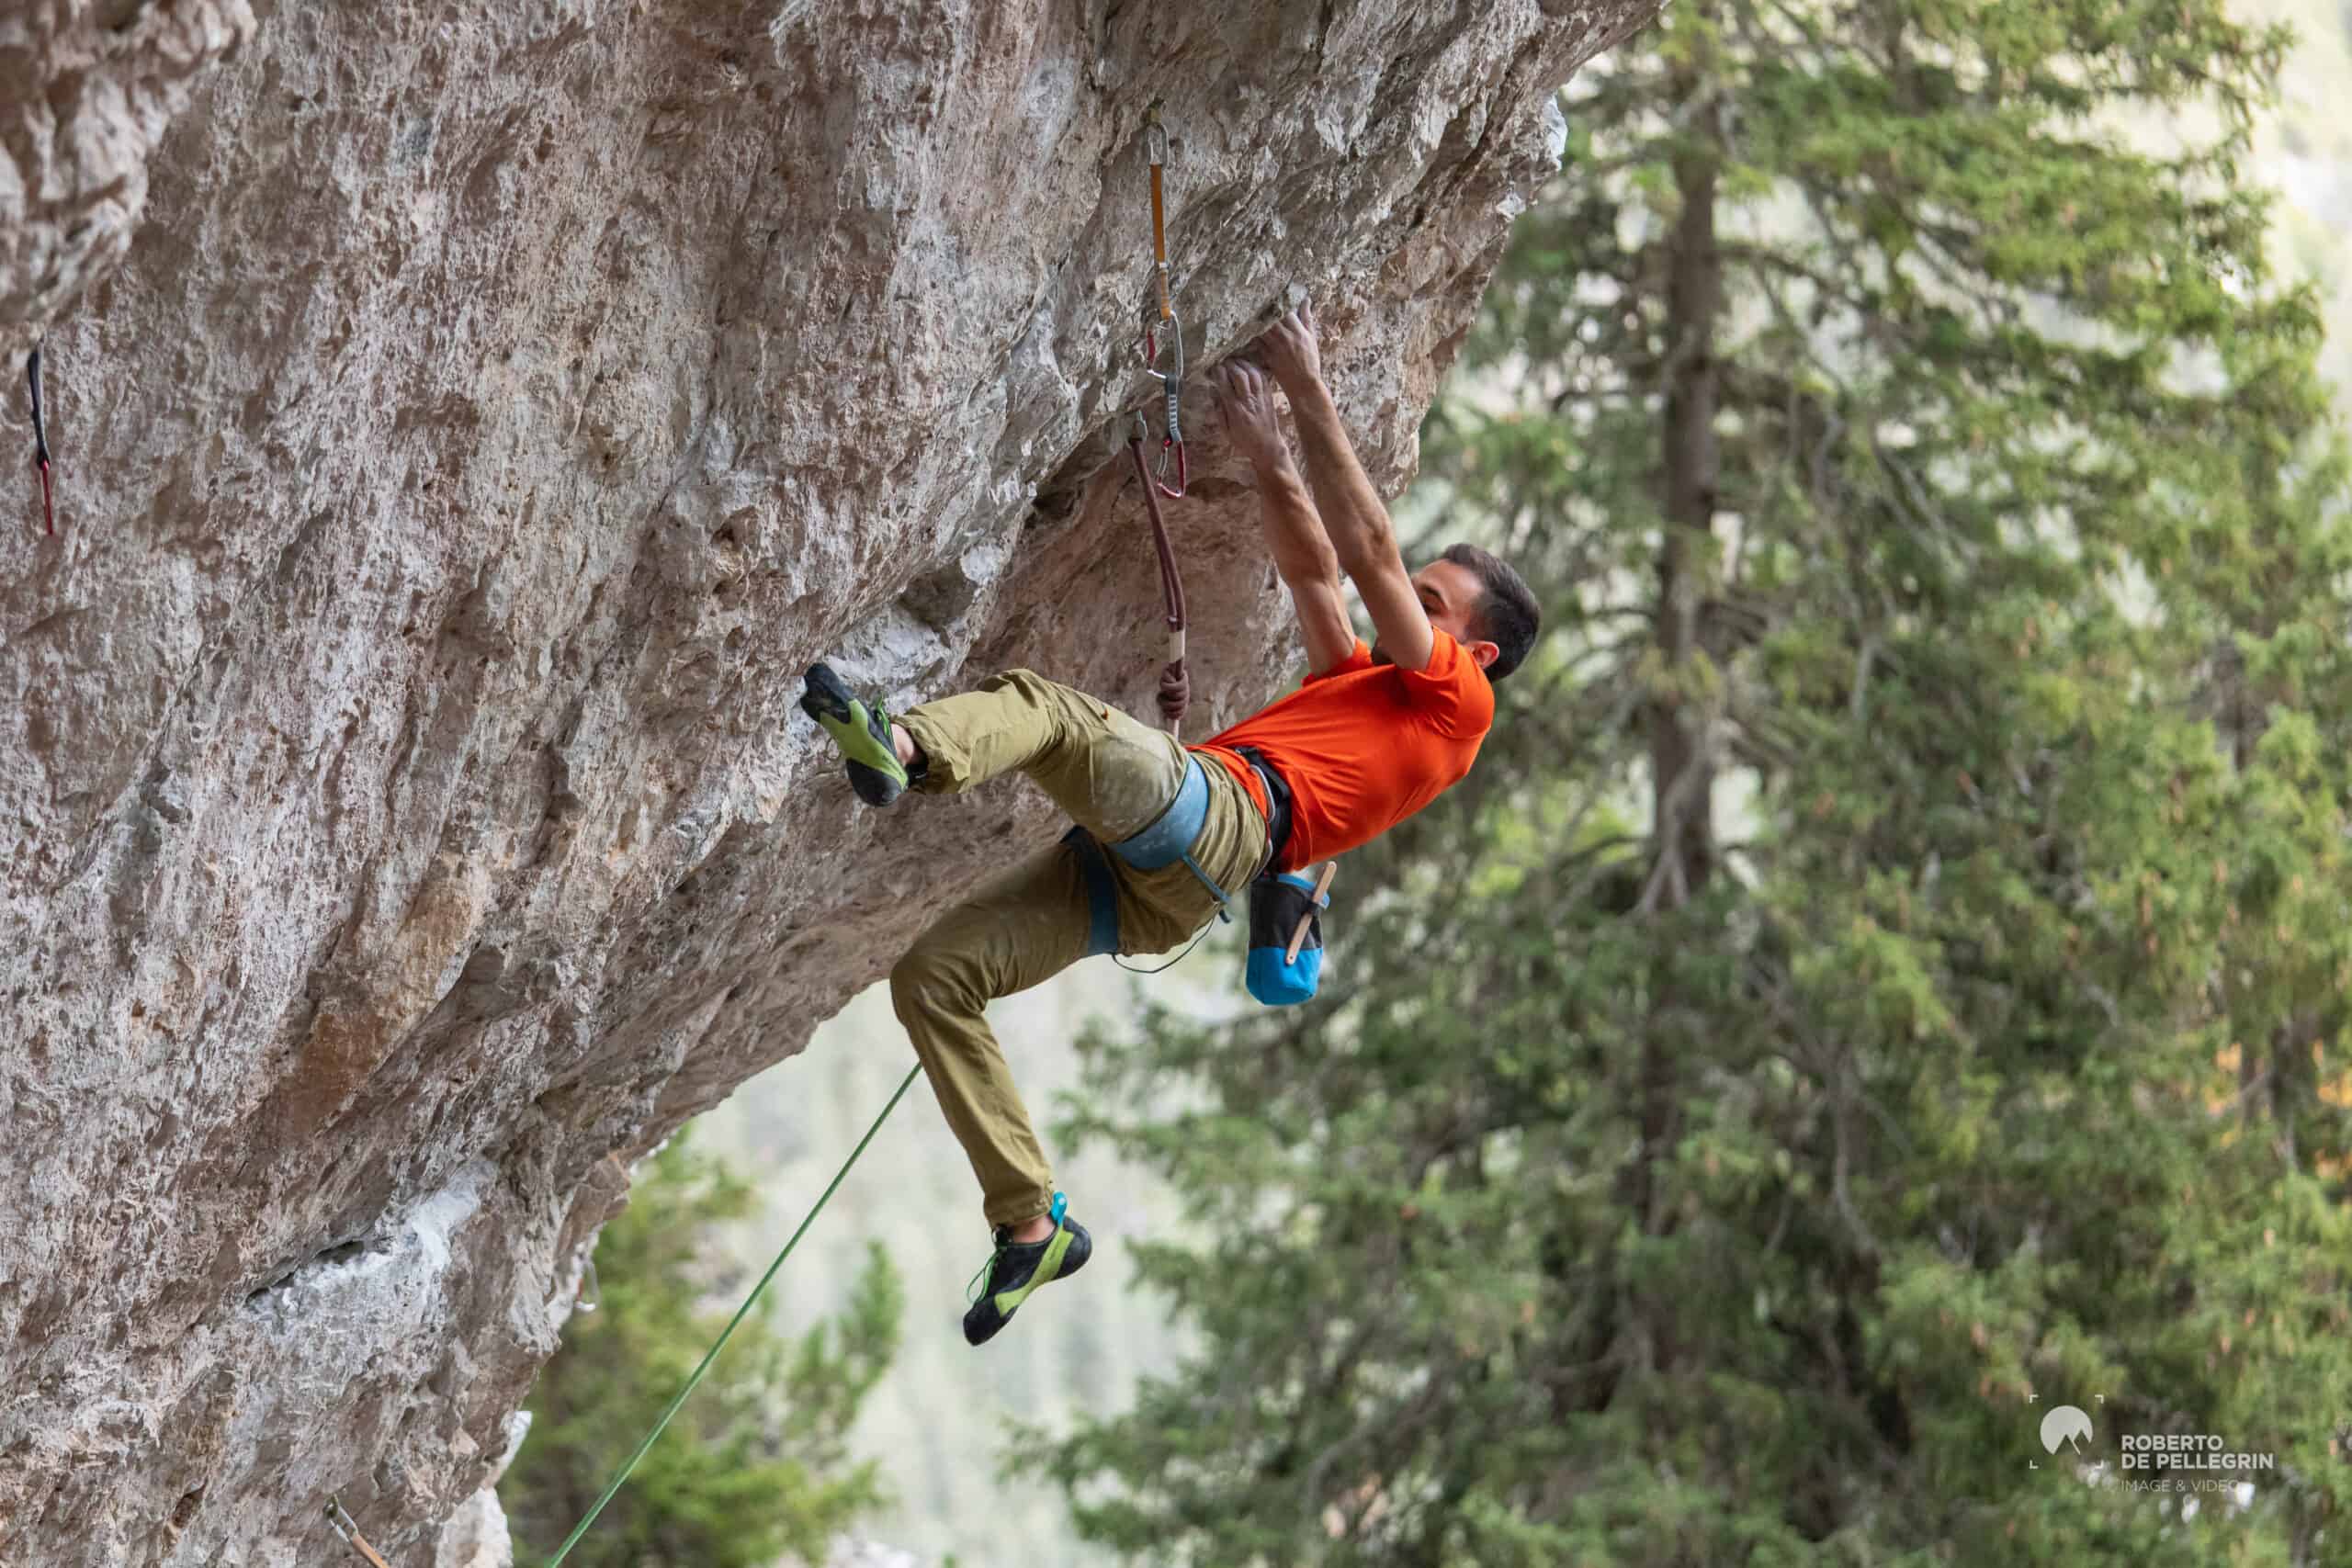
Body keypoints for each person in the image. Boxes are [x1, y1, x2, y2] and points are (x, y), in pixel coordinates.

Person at [799, 302, 1542, 1345]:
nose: (1407, 607)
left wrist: (1310, 384)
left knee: (1051, 712)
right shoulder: (1376, 689)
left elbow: (1369, 549)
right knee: (933, 979)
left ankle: (907, 747)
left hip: (1224, 822)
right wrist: (1263, 445)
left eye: (1432, 603)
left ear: (1481, 652)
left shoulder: (1459, 707)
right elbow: (1316, 574)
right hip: (1164, 884)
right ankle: (1028, 1222)